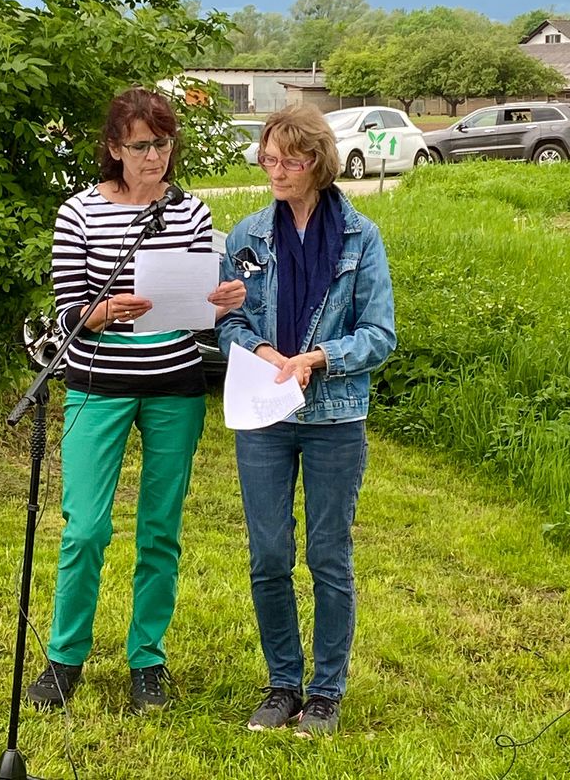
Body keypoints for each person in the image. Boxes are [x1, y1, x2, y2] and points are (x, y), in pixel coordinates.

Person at [27, 87, 245, 713]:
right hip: (98, 384)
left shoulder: (191, 211)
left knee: (160, 530)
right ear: (114, 149)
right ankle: (65, 657)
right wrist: (102, 312)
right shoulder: (79, 213)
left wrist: (222, 302)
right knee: (85, 528)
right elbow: (66, 310)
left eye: (163, 144)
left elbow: (200, 307)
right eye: (142, 146)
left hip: (175, 383)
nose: (155, 157)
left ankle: (147, 659)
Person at [217, 104, 396, 737]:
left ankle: (324, 693)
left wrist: (318, 358)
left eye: (288, 162)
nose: (275, 171)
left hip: (334, 416)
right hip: (264, 411)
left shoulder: (360, 237)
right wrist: (264, 351)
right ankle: (282, 684)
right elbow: (229, 321)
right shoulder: (246, 237)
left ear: (317, 163)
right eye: (268, 159)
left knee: (328, 555)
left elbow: (380, 334)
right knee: (268, 553)